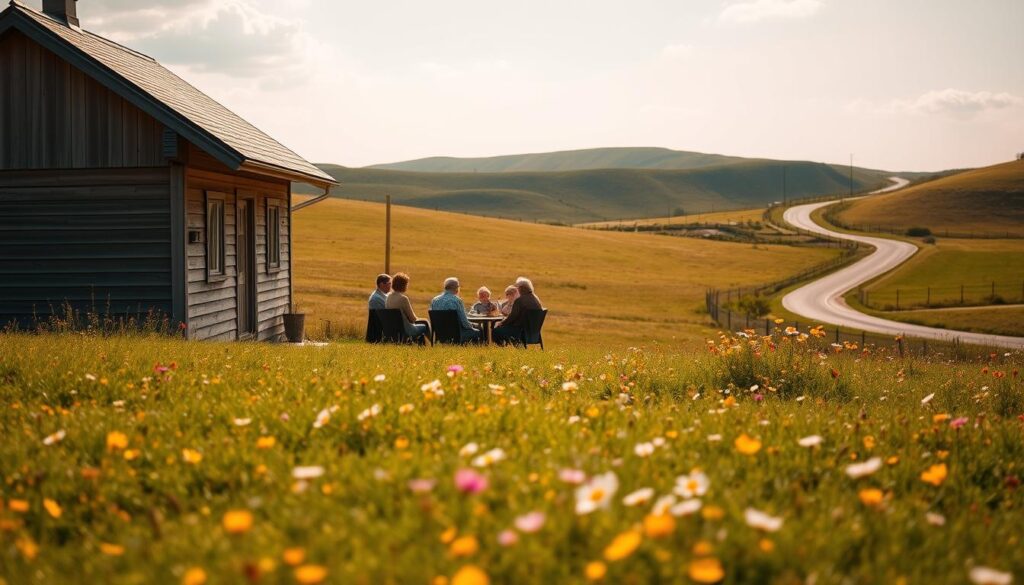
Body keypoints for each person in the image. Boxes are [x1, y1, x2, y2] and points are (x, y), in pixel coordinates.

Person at [493, 277, 543, 346]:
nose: (517, 290)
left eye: (517, 288)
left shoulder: (520, 301)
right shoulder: (536, 299)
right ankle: (519, 348)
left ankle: (502, 351)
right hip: (533, 332)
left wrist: (502, 323)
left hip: (520, 331)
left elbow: (512, 316)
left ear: (521, 288)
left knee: (496, 331)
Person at [431, 277, 483, 343]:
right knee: (479, 330)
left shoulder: (435, 300)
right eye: (458, 286)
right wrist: (473, 326)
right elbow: (464, 323)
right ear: (456, 288)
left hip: (441, 334)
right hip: (457, 334)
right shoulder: (456, 300)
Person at [385, 272, 430, 342]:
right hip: (406, 329)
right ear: (404, 285)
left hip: (394, 329)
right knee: (425, 324)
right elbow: (413, 319)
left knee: (423, 323)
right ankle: (434, 344)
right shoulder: (403, 298)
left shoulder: (388, 297)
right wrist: (423, 320)